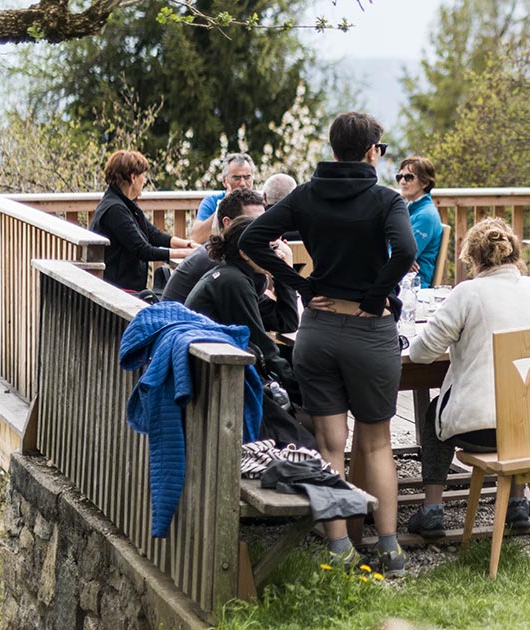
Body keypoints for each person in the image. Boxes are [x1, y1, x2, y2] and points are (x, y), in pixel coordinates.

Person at [239, 112, 416, 574]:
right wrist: (377, 295)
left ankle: (339, 550)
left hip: (317, 329)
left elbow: (254, 238)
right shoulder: (386, 200)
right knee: (376, 442)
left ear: (334, 149)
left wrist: (298, 284)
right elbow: (408, 253)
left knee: (328, 442)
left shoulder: (305, 196)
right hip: (369, 331)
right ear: (372, 151)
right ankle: (390, 550)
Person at [402, 218, 530, 538]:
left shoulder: (467, 294)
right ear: (515, 255)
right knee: (516, 406)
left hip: (479, 431)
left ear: (473, 259)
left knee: (434, 416)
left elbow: (420, 354)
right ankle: (516, 504)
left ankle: (432, 508)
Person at [184, 215, 293, 376]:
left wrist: (282, 273)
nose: (275, 254)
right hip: (210, 375)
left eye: (274, 247)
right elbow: (262, 347)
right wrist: (299, 391)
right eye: (269, 248)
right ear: (245, 254)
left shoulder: (239, 275)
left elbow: (286, 322)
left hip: (214, 364)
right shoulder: (233, 282)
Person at [89, 150, 196, 293]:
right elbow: (143, 251)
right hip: (117, 291)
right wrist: (187, 254)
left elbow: (153, 235)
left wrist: (188, 245)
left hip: (125, 287)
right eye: (143, 176)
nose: (145, 180)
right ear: (133, 177)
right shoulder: (115, 210)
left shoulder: (124, 203)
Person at [162, 188, 271, 302]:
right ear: (227, 223)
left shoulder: (219, 250)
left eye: (263, 223)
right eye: (251, 223)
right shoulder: (218, 260)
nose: (261, 230)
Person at [397, 156, 444, 288]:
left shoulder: (425, 215)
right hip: (400, 280)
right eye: (399, 177)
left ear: (425, 183)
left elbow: (401, 256)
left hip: (413, 286)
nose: (402, 182)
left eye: (409, 177)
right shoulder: (410, 209)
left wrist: (401, 254)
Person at [190, 153, 256, 244]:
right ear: (225, 181)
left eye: (247, 177)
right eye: (236, 178)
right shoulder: (212, 201)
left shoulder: (259, 203)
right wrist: (222, 206)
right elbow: (195, 238)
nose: (242, 184)